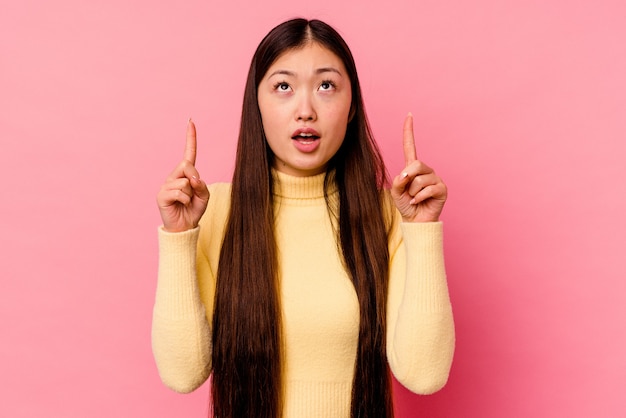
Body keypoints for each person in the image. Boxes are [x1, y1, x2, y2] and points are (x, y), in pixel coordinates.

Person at [153, 18, 454, 418]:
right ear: (256, 105)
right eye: (283, 87)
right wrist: (179, 237)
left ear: (351, 109)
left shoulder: (390, 216)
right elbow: (182, 373)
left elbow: (424, 374)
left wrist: (422, 229)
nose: (306, 110)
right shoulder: (213, 211)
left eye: (326, 86)